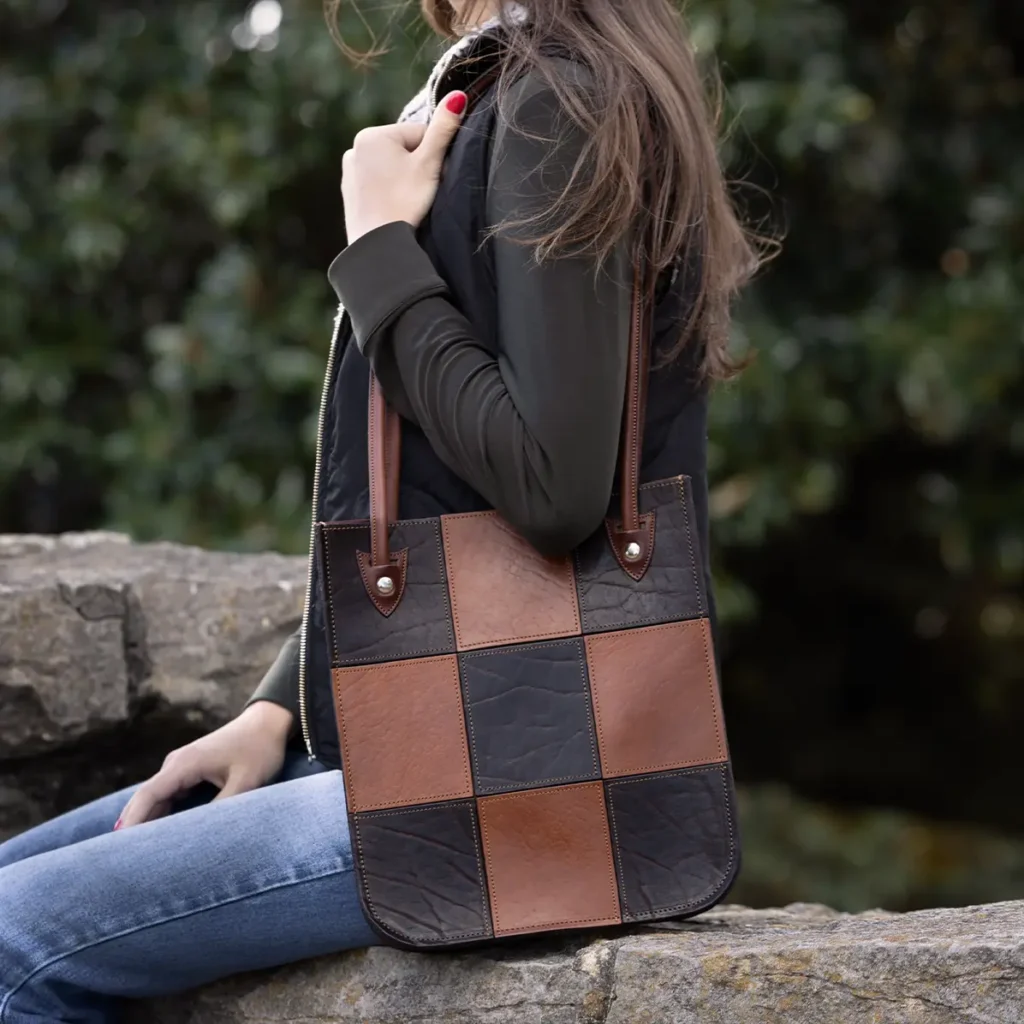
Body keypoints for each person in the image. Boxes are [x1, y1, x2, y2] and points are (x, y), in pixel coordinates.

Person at [0, 0, 759, 1019]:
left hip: (516, 782)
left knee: (17, 936)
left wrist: (379, 251)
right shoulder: (518, 87)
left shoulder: (559, 102)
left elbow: (553, 485)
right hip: (445, 746)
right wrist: (277, 707)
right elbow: (425, 487)